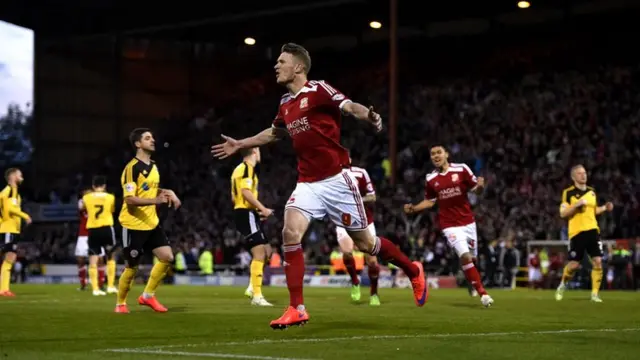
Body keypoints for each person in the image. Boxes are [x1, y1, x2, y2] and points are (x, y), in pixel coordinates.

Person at [212, 43, 427, 329]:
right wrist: (241, 143)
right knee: (290, 232)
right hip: (307, 183)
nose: (276, 66)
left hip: (337, 180)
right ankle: (296, 307)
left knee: (366, 244)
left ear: (298, 67)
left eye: (281, 61)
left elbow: (349, 106)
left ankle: (413, 270)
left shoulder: (319, 89)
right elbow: (274, 133)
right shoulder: (285, 103)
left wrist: (370, 116)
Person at [404, 145, 494, 308]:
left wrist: (480, 187)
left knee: (473, 259)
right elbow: (430, 201)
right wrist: (414, 208)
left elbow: (476, 190)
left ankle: (470, 281)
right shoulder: (431, 179)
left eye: (439, 152)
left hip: (468, 222)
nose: (436, 156)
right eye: (432, 154)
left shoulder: (461, 169)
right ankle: (483, 294)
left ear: (446, 154)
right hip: (449, 225)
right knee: (465, 256)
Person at [115, 128, 181, 313]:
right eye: (147, 138)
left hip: (151, 222)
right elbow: (129, 199)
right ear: (138, 144)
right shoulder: (131, 169)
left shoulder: (153, 166)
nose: (152, 140)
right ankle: (120, 304)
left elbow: (152, 190)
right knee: (132, 267)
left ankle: (147, 296)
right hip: (133, 224)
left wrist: (169, 193)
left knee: (167, 257)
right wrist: (156, 200)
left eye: (152, 137)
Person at [555, 165, 613, 302]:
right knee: (574, 265)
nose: (583, 175)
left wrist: (605, 207)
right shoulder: (568, 193)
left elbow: (593, 211)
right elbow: (563, 213)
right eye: (580, 173)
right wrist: (576, 206)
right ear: (573, 177)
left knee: (598, 261)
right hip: (577, 232)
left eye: (584, 173)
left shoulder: (592, 192)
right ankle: (562, 284)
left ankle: (594, 294)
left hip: (593, 230)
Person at [231, 147, 274, 306]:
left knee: (267, 252)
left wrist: (257, 211)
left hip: (249, 213)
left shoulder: (238, 170)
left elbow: (233, 196)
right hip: (246, 213)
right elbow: (245, 192)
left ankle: (251, 287)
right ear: (254, 152)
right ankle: (257, 296)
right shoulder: (247, 169)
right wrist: (262, 208)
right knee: (259, 253)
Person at [336, 160, 381, 306]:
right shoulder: (329, 176)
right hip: (344, 220)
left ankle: (374, 293)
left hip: (365, 221)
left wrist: (356, 200)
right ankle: (355, 281)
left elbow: (372, 197)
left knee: (372, 261)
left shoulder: (360, 173)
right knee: (347, 253)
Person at [80, 176, 118, 296]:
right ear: (104, 186)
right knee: (110, 257)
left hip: (93, 229)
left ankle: (95, 289)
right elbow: (112, 210)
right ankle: (110, 286)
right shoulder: (111, 197)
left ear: (93, 186)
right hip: (106, 228)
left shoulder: (86, 197)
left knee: (93, 259)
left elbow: (83, 209)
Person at [0, 168, 32, 297]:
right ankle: (3, 289)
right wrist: (25, 216)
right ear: (13, 177)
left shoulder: (8, 192)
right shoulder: (11, 190)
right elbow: (10, 208)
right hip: (9, 229)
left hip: (9, 228)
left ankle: (4, 288)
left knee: (9, 258)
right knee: (9, 258)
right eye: (20, 175)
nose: (22, 177)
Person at [75, 189, 106, 291]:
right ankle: (83, 283)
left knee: (100, 259)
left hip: (96, 233)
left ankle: (101, 283)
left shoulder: (98, 204)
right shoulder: (81, 202)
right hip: (83, 235)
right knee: (80, 259)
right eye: (85, 194)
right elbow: (81, 206)